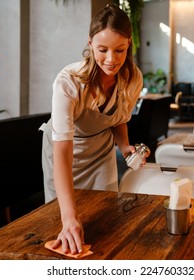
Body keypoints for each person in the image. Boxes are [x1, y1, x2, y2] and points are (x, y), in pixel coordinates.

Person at [41, 4, 147, 255]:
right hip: (64, 151)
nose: (111, 60)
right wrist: (69, 217)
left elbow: (118, 117)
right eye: (102, 50)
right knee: (62, 224)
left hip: (100, 149)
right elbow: (63, 150)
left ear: (129, 44)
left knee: (105, 218)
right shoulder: (69, 81)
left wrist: (124, 146)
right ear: (90, 43)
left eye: (120, 50)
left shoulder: (133, 78)